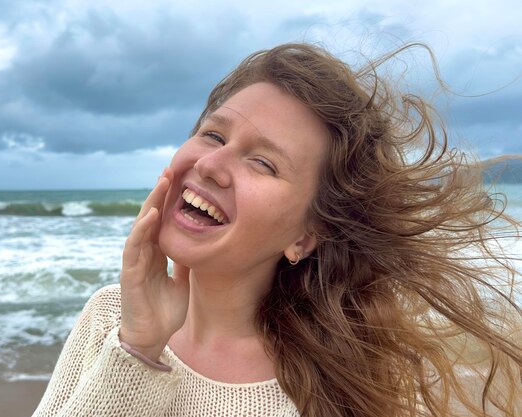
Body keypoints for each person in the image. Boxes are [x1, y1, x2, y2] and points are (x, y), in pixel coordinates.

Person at [32, 43, 522, 417]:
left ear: (305, 237)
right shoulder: (110, 317)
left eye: (263, 163)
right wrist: (138, 349)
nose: (213, 165)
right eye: (213, 134)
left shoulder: (327, 391)